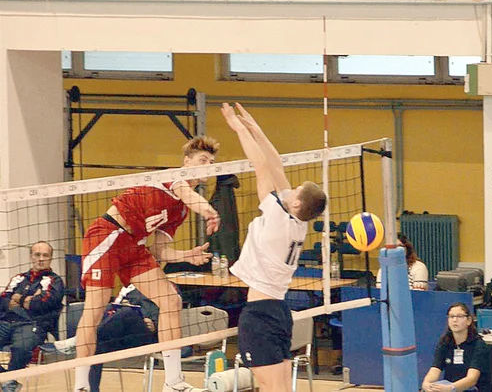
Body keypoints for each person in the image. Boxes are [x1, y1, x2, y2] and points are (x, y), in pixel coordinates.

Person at [73, 136, 221, 392]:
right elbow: (189, 195)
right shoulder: (172, 178)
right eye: (202, 160)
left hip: (135, 246)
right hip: (108, 234)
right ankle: (81, 385)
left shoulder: (181, 210)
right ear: (187, 162)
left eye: (211, 162)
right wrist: (210, 211)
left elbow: (159, 250)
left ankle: (173, 382)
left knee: (171, 300)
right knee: (95, 308)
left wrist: (186, 255)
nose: (207, 165)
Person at [221, 102, 326, 392]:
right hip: (278, 311)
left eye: (295, 190)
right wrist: (257, 129)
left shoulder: (280, 218)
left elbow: (262, 166)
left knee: (272, 387)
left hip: (261, 315)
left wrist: (238, 127)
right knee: (280, 387)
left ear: (296, 203)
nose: (290, 188)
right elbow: (276, 164)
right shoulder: (298, 223)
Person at [55, 284, 187, 392]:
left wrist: (154, 323)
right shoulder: (127, 288)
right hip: (121, 333)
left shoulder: (167, 286)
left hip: (148, 334)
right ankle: (89, 388)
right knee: (96, 345)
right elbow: (112, 310)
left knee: (127, 313)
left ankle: (81, 340)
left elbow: (171, 313)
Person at [0, 241, 65, 392]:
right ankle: (5, 379)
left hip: (33, 325)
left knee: (21, 347)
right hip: (8, 322)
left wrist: (19, 298)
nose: (41, 259)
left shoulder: (55, 281)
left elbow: (44, 303)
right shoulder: (19, 278)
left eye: (45, 255)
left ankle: (9, 382)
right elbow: (3, 301)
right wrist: (28, 300)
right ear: (31, 257)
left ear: (50, 259)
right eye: (37, 255)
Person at [421, 302, 490, 392]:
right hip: (449, 387)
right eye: (451, 316)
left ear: (469, 320)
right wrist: (426, 383)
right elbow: (435, 369)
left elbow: (472, 379)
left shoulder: (478, 344)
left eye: (459, 316)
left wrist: (451, 388)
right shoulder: (445, 342)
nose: (455, 320)